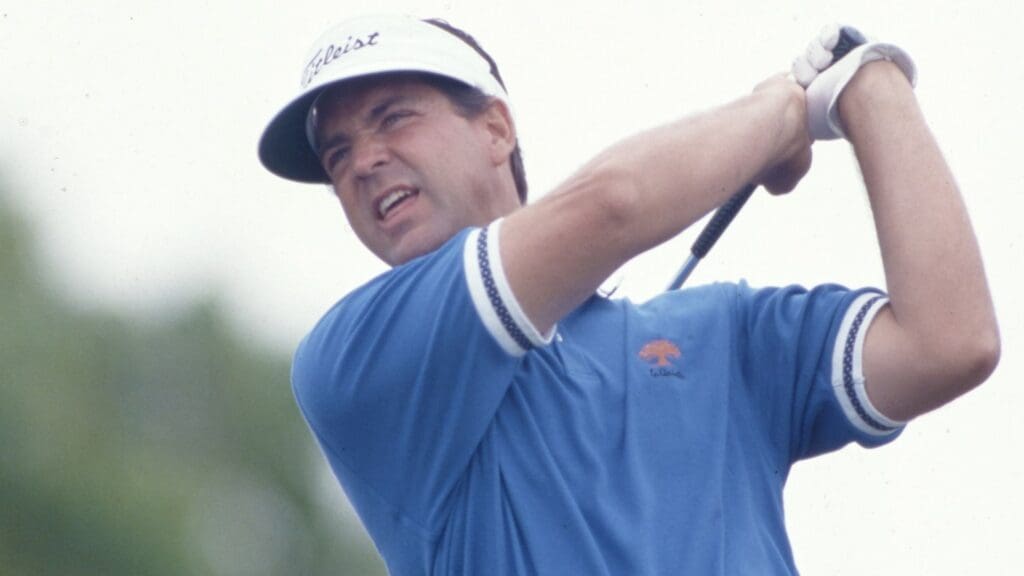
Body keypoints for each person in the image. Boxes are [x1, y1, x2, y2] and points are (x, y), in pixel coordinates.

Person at [258, 15, 1000, 575]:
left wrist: (871, 88)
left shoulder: (724, 335)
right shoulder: (356, 361)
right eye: (338, 151)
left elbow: (950, 341)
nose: (363, 162)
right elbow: (614, 204)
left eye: (393, 117)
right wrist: (781, 116)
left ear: (495, 128)